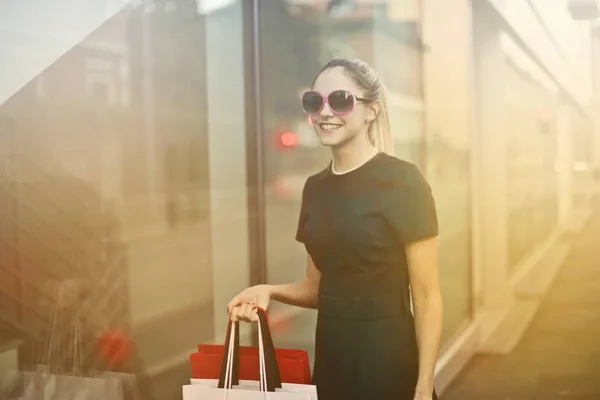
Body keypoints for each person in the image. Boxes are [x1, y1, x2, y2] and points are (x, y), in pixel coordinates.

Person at [227, 58, 443, 400]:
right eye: (315, 102)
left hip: (388, 365)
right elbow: (319, 288)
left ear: (370, 110)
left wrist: (422, 387)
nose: (325, 112)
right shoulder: (315, 188)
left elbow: (428, 298)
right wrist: (268, 290)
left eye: (340, 100)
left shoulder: (404, 182)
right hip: (331, 365)